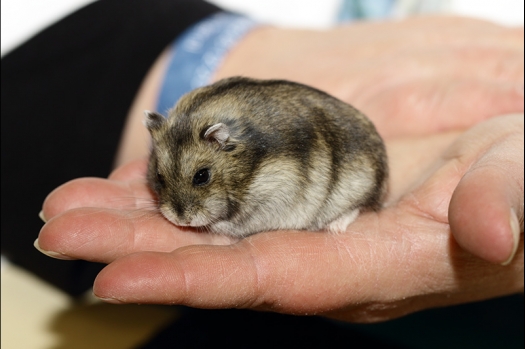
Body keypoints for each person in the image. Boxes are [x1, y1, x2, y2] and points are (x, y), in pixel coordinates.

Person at [3, 0, 523, 327]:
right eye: (163, 181)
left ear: (226, 142)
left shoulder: (277, 152)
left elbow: (292, 183)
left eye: (200, 177)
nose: (177, 209)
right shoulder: (194, 139)